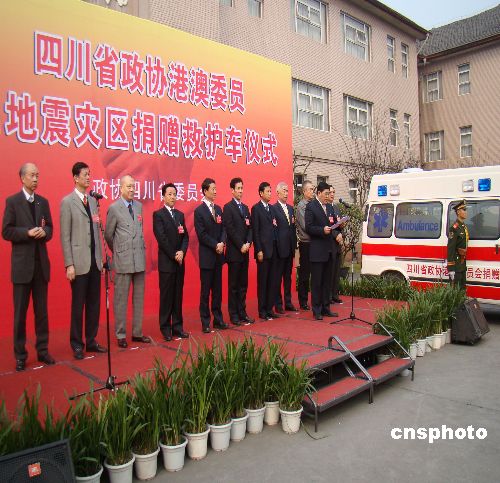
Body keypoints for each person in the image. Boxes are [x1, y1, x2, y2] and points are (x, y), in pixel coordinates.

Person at [2, 163, 55, 371]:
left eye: (37, 175)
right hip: (22, 267)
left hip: (40, 266)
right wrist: (27, 233)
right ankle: (20, 355)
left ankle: (43, 350)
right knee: (20, 314)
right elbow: (6, 231)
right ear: (22, 178)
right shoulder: (13, 202)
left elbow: (49, 227)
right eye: (32, 175)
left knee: (42, 313)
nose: (35, 179)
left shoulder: (43, 202)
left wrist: (45, 232)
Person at [60, 162, 107, 360]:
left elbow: (97, 232)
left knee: (94, 304)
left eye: (89, 174)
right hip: (78, 262)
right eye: (85, 174)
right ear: (75, 178)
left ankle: (91, 340)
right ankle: (77, 344)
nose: (88, 177)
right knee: (78, 305)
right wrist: (69, 264)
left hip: (94, 261)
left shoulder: (93, 201)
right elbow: (65, 236)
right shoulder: (67, 202)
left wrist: (101, 260)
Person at [104, 175, 151, 348]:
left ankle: (137, 332)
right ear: (121, 188)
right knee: (121, 299)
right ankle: (121, 334)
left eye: (133, 186)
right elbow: (109, 235)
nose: (132, 189)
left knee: (139, 298)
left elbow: (140, 229)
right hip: (123, 259)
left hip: (139, 258)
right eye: (129, 186)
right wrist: (119, 250)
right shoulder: (114, 208)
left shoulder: (138, 206)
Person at [153, 183, 189, 341]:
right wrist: (174, 254)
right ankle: (165, 328)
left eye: (174, 194)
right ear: (163, 196)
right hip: (167, 263)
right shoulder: (158, 215)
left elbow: (185, 237)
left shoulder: (180, 215)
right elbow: (161, 238)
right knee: (166, 297)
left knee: (178, 296)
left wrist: (182, 252)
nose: (173, 197)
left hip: (180, 262)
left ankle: (178, 327)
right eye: (169, 194)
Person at [194, 178, 228, 333]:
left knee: (217, 291)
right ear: (205, 191)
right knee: (205, 292)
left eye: (216, 188)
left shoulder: (219, 209)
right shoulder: (199, 211)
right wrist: (216, 245)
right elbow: (201, 235)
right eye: (212, 189)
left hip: (218, 257)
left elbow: (224, 229)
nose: (215, 191)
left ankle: (218, 319)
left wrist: (222, 242)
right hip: (207, 257)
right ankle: (205, 322)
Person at [305, 181, 339, 320]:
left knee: (327, 282)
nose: (328, 196)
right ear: (318, 193)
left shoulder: (330, 207)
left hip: (329, 250)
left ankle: (326, 308)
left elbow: (333, 224)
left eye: (329, 193)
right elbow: (308, 227)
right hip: (318, 251)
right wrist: (321, 230)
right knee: (317, 282)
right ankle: (317, 310)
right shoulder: (311, 207)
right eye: (326, 194)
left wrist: (339, 227)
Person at [223, 177, 254, 326]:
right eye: (238, 188)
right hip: (234, 253)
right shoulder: (228, 208)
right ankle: (234, 314)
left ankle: (242, 312)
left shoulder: (246, 208)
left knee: (243, 285)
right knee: (233, 286)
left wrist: (248, 243)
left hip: (245, 251)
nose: (241, 191)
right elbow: (230, 229)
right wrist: (241, 245)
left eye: (242, 188)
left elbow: (250, 228)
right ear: (232, 190)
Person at [251, 181, 280, 320]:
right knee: (263, 281)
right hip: (263, 251)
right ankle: (262, 310)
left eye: (270, 191)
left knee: (272, 281)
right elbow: (255, 231)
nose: (270, 193)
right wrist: (258, 250)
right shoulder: (256, 209)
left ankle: (270, 308)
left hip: (274, 250)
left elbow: (275, 227)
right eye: (267, 191)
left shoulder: (272, 209)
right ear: (261, 193)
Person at [273, 181, 297, 313]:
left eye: (287, 191)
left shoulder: (291, 208)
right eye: (284, 190)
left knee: (288, 278)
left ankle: (288, 302)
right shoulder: (273, 208)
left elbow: (292, 228)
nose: (286, 193)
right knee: (277, 278)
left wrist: (294, 246)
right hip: (279, 249)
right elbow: (274, 230)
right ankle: (278, 304)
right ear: (277, 192)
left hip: (290, 248)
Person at [296, 180, 314, 310]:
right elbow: (306, 226)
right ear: (304, 191)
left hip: (315, 243)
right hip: (306, 243)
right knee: (305, 273)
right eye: (310, 189)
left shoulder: (313, 205)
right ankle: (303, 301)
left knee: (315, 273)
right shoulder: (301, 206)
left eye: (313, 189)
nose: (313, 191)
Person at [447, 200, 469, 290]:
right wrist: (451, 268)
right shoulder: (454, 228)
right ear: (458, 212)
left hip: (462, 263)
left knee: (462, 289)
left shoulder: (463, 226)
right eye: (464, 210)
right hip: (456, 265)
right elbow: (451, 248)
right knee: (456, 291)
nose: (466, 212)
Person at [329, 185, 344, 305]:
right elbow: (327, 226)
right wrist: (335, 234)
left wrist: (342, 228)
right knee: (330, 270)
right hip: (330, 242)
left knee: (337, 270)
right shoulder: (325, 207)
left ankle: (335, 294)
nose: (332, 194)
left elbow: (338, 224)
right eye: (330, 192)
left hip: (338, 242)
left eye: (334, 192)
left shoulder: (336, 207)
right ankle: (328, 295)